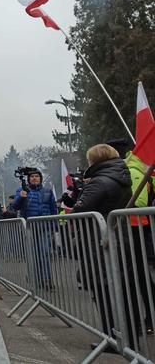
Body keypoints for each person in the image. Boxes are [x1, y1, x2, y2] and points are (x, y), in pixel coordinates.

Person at [69, 144, 132, 352]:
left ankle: (113, 337)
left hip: (100, 240)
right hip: (117, 236)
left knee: (103, 288)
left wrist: (83, 193)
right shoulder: (121, 177)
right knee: (119, 289)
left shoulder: (100, 182)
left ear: (96, 161)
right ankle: (126, 337)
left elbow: (81, 208)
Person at [13, 168, 57, 290]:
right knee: (33, 254)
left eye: (37, 176)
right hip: (30, 228)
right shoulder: (22, 190)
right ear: (28, 179)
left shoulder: (47, 191)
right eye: (32, 176)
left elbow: (54, 209)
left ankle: (46, 280)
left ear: (40, 178)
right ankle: (35, 279)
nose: (34, 178)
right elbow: (15, 206)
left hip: (44, 227)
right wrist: (21, 197)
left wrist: (54, 226)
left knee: (44, 253)